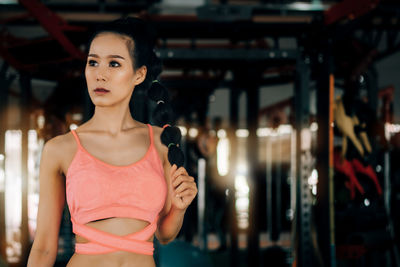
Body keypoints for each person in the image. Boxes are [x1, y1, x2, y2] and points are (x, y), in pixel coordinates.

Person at [27, 17, 198, 267]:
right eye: (93, 62)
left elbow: (164, 233)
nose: (100, 75)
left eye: (114, 64)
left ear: (139, 75)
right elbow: (43, 247)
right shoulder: (60, 149)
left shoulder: (162, 142)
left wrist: (180, 208)